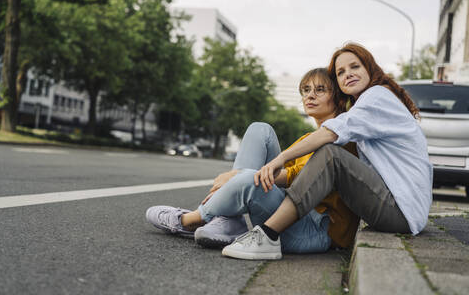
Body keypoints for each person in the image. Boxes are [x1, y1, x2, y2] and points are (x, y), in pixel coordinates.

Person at [221, 43, 433, 260]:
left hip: (401, 212)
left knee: (331, 155)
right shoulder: (369, 103)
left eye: (355, 67)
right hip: (399, 208)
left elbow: (331, 132)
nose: (348, 74)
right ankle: (227, 220)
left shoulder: (377, 95)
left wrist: (280, 159)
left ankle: (267, 236)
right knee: (324, 152)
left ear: (370, 68)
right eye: (341, 72)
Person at [146, 68, 360, 257]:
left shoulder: (342, 136)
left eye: (320, 89)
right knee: (260, 129)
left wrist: (237, 177)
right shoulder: (307, 139)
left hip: (315, 231)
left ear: (338, 97)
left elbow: (303, 177)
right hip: (295, 213)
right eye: (305, 90)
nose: (310, 96)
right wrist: (243, 176)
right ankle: (229, 221)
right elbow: (277, 167)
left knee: (251, 178)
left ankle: (189, 220)